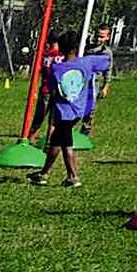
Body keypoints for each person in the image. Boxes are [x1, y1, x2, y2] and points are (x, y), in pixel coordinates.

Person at [31, 31, 111, 187]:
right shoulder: (86, 63)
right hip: (78, 110)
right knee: (58, 141)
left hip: (63, 111)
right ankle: (46, 174)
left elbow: (53, 88)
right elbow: (106, 61)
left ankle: (71, 177)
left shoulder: (57, 68)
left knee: (63, 142)